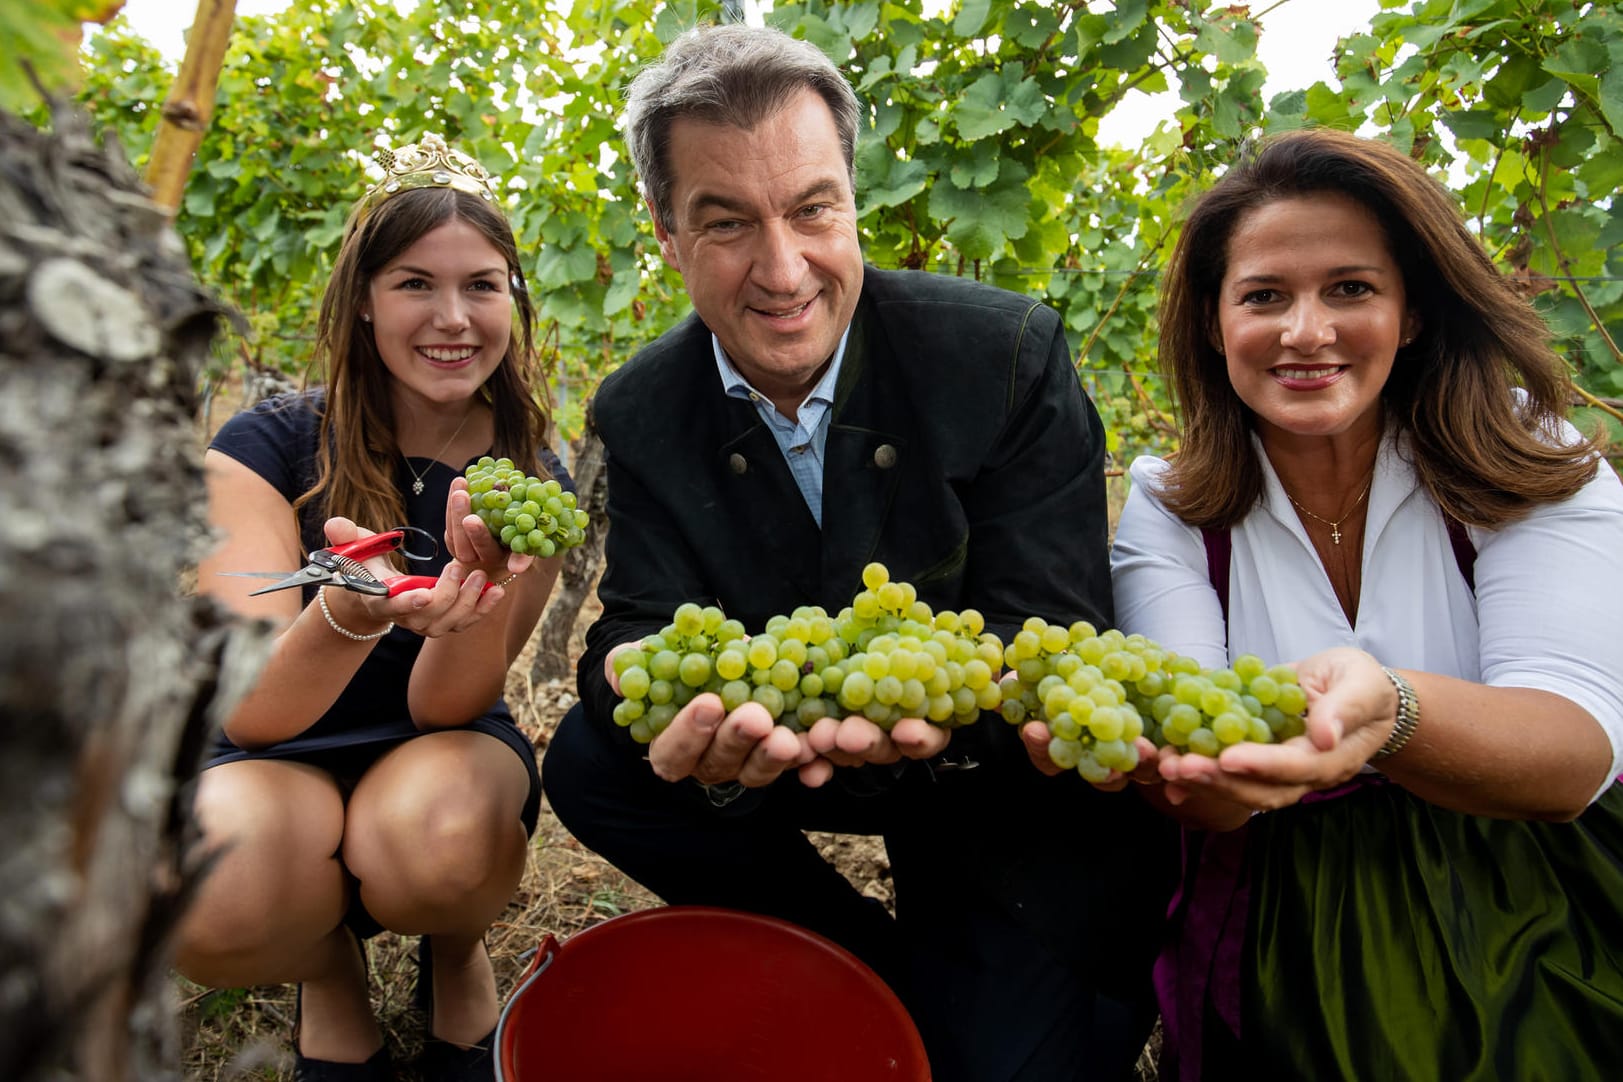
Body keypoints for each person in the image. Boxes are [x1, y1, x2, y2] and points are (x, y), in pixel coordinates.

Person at [540, 23, 1176, 1082]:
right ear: (664, 231)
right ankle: (860, 959)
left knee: (1006, 1061)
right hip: (783, 750)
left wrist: (918, 710)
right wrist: (628, 677)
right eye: (727, 221)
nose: (782, 268)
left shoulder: (1005, 353)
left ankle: (1006, 988)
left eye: (811, 208)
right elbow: (639, 620)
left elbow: (1053, 627)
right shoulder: (643, 407)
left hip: (993, 779)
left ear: (853, 198)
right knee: (589, 761)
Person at [1022, 127, 1623, 1080]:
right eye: (1263, 296)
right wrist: (1170, 771)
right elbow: (1202, 771)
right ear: (1214, 326)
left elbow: (1569, 751)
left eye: (1350, 288)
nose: (1306, 331)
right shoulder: (1172, 503)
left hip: (1537, 901)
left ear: (1413, 311)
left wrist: (1387, 710)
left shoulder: (1530, 461)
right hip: (1282, 924)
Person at [176, 133, 569, 1080]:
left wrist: (474, 597)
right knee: (204, 895)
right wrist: (353, 611)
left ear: (512, 299)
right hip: (278, 748)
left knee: (440, 849)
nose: (453, 317)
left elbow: (446, 707)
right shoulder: (259, 448)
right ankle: (330, 970)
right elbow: (251, 708)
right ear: (363, 299)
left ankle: (452, 944)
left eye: (482, 285)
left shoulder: (529, 480)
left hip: (443, 746)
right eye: (413, 284)